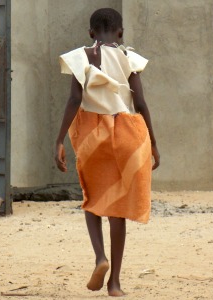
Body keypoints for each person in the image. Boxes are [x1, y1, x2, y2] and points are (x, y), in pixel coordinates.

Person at [55, 8, 160, 297]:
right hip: (129, 134)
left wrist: (59, 139)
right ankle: (114, 283)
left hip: (93, 135)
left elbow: (75, 98)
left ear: (91, 33)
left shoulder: (83, 56)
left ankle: (100, 257)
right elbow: (141, 102)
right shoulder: (129, 58)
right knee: (118, 210)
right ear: (120, 32)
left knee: (93, 198)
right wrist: (153, 143)